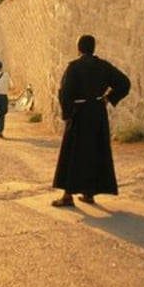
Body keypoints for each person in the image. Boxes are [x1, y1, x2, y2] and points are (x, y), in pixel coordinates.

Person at [51, 35, 131, 207]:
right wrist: (108, 98)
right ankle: (89, 193)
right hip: (97, 114)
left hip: (79, 114)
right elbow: (124, 83)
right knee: (94, 152)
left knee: (73, 154)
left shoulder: (74, 67)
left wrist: (67, 113)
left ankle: (67, 195)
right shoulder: (104, 66)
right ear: (93, 48)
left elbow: (65, 93)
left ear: (79, 48)